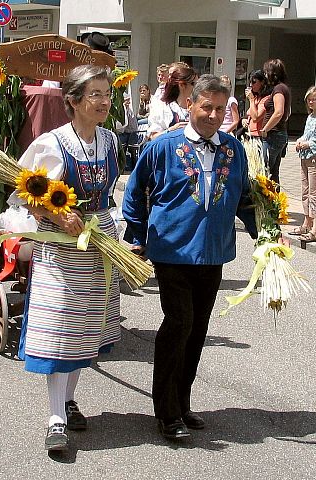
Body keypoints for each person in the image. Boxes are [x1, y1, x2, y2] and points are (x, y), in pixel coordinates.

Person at [123, 75, 265, 440]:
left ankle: (183, 402)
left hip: (214, 252)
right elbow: (135, 194)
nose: (214, 115)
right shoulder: (163, 147)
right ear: (191, 105)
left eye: (221, 108)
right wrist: (137, 236)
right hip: (171, 250)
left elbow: (244, 199)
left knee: (197, 330)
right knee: (179, 324)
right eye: (207, 107)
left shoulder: (233, 151)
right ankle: (166, 412)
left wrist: (265, 235)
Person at [14, 64, 121, 451]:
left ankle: (70, 400)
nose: (104, 101)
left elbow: (109, 189)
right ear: (72, 101)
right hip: (61, 248)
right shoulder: (51, 143)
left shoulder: (109, 141)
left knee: (86, 329)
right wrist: (56, 213)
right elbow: (23, 192)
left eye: (107, 93)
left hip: (100, 243)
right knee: (59, 327)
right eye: (95, 94)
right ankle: (55, 417)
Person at [146, 62, 197, 140]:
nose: (197, 87)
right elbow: (152, 137)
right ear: (182, 85)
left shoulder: (198, 107)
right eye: (193, 84)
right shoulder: (163, 107)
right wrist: (171, 130)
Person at [260, 58, 291, 185]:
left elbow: (279, 112)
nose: (265, 75)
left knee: (265, 171)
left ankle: (267, 202)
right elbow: (287, 113)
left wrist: (265, 129)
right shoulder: (284, 88)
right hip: (279, 134)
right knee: (273, 173)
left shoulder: (278, 89)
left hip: (273, 135)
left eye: (266, 72)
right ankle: (275, 202)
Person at [291, 86, 316, 242]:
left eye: (314, 99)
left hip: (314, 157)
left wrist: (306, 144)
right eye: (309, 100)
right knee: (305, 191)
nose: (311, 102)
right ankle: (307, 222)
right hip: (304, 157)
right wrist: (300, 140)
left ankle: (314, 229)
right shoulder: (310, 117)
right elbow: (306, 135)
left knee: (314, 194)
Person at [242, 70, 272, 138]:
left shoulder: (266, 99)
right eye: (250, 82)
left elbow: (256, 117)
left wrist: (251, 100)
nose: (251, 85)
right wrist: (244, 119)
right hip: (250, 134)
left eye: (254, 82)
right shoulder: (256, 97)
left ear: (262, 82)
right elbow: (250, 113)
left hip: (259, 136)